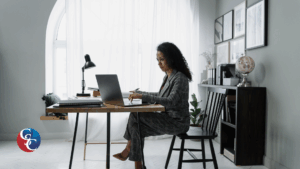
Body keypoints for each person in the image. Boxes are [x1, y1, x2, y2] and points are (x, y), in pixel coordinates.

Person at [113, 42, 192, 169]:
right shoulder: (168, 76)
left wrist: (143, 97)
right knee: (136, 128)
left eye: (162, 59)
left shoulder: (180, 78)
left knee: (135, 114)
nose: (159, 63)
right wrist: (140, 93)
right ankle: (138, 166)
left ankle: (128, 150)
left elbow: (170, 101)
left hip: (177, 123)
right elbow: (160, 95)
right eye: (157, 60)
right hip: (167, 119)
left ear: (171, 58)